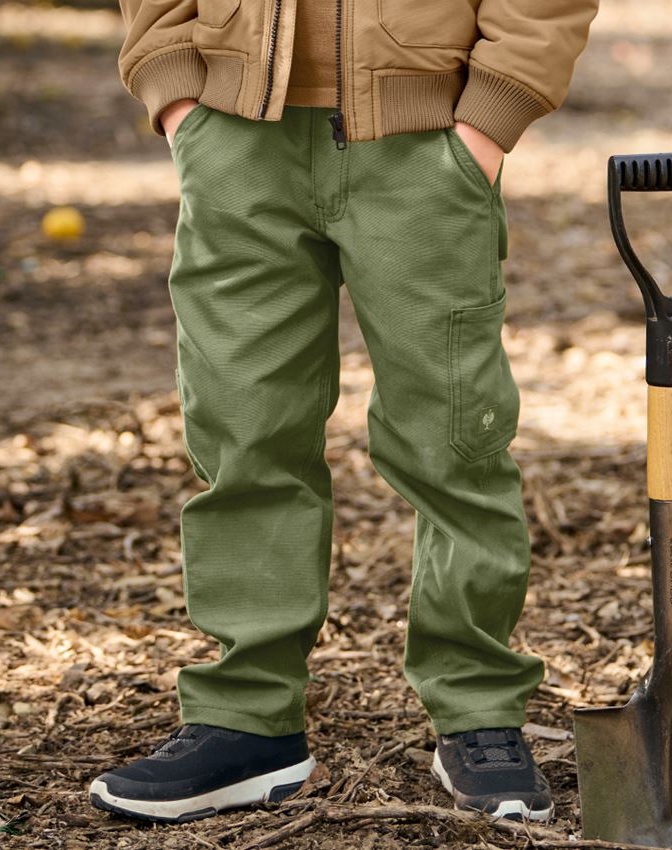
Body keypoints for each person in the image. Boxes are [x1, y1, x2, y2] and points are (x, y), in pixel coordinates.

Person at [90, 0, 597, 825]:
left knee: (452, 437)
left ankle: (477, 711)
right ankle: (246, 720)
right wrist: (180, 97)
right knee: (243, 429)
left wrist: (486, 122)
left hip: (425, 145)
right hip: (235, 137)